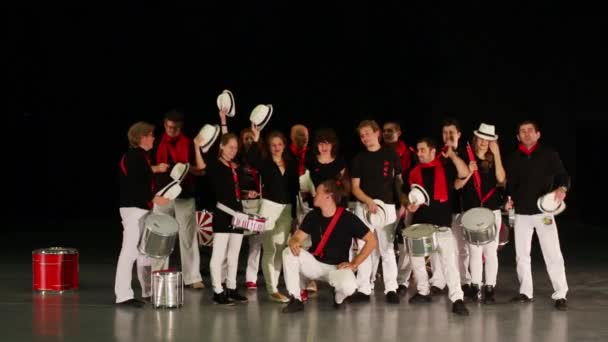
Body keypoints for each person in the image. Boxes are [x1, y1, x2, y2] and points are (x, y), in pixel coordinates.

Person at [281, 177, 378, 313]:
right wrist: (294, 241)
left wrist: (354, 263)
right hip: (315, 264)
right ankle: (296, 299)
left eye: (318, 192)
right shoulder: (312, 216)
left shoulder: (348, 218)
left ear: (328, 196)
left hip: (337, 268)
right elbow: (297, 237)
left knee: (349, 287)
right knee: (288, 252)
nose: (314, 195)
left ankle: (338, 299)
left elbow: (372, 241)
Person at [506, 120, 570, 311]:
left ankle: (561, 294)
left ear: (538, 134)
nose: (526, 134)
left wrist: (562, 188)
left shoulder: (549, 154)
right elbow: (510, 185)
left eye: (530, 131)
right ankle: (526, 292)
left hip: (544, 212)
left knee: (553, 253)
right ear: (518, 136)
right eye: (522, 131)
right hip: (521, 213)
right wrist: (508, 200)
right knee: (522, 255)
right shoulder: (513, 158)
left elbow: (563, 175)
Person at [406, 137, 471, 316]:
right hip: (419, 224)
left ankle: (457, 299)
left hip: (442, 225)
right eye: (417, 150)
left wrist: (452, 157)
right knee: (417, 262)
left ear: (433, 151)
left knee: (450, 263)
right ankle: (423, 291)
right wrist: (409, 205)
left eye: (422, 150)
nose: (419, 154)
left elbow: (465, 173)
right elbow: (408, 197)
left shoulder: (447, 168)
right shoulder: (413, 172)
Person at [193, 111, 253, 305]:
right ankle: (218, 291)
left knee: (234, 255)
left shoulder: (233, 166)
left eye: (236, 147)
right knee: (218, 255)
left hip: (237, 214)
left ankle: (232, 288)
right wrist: (196, 145)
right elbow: (200, 165)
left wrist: (247, 194)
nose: (233, 150)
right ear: (221, 147)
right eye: (230, 147)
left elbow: (233, 190)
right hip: (222, 214)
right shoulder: (215, 164)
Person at [115, 121, 170, 307]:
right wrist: (155, 199)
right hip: (133, 210)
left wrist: (156, 169)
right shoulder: (134, 157)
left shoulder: (141, 156)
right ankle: (123, 295)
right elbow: (135, 185)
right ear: (141, 137)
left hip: (141, 208)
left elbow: (143, 175)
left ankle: (147, 290)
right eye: (151, 135)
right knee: (129, 252)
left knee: (144, 252)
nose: (154, 138)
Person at [349, 120, 404, 304]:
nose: (365, 138)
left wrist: (403, 201)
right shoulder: (358, 159)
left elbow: (398, 181)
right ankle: (363, 288)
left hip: (386, 208)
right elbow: (355, 188)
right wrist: (368, 201)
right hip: (364, 207)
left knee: (387, 249)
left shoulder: (391, 154)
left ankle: (391, 288)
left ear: (377, 132)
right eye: (361, 135)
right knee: (365, 247)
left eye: (367, 133)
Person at [151, 110, 204, 289]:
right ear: (165, 124)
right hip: (162, 195)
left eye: (176, 127)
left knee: (188, 237)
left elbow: (201, 170)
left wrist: (188, 169)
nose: (172, 130)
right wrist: (158, 167)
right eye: (169, 126)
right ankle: (158, 275)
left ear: (181, 126)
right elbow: (145, 168)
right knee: (160, 235)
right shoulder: (156, 142)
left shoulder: (189, 143)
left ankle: (193, 277)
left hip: (185, 195)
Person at [247, 124, 299, 303]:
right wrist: (256, 138)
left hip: (286, 208)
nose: (276, 148)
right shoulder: (265, 162)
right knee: (269, 249)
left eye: (279, 144)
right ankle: (272, 289)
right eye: (273, 145)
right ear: (269, 147)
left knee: (279, 249)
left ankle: (275, 286)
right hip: (269, 207)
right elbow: (250, 158)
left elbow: (294, 189)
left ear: (284, 145)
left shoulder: (291, 163)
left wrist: (294, 215)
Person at [455, 123, 506, 304]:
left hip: (491, 211)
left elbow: (501, 179)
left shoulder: (494, 159)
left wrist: (497, 153)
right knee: (474, 251)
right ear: (476, 138)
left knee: (491, 251)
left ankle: (490, 287)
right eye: (482, 138)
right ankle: (475, 285)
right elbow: (457, 185)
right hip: (471, 211)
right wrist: (469, 171)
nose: (485, 142)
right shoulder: (466, 156)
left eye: (489, 139)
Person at [429, 118, 472, 295]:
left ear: (459, 134)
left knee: (462, 248)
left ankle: (464, 281)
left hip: (462, 207)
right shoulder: (437, 155)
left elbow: (461, 178)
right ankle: (438, 282)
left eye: (451, 132)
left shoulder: (467, 153)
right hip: (442, 208)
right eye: (445, 133)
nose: (448, 136)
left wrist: (453, 155)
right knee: (437, 247)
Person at [382, 121, 417, 296]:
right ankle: (388, 281)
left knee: (406, 243)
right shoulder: (378, 152)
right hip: (386, 203)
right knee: (386, 243)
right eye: (385, 131)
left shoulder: (410, 153)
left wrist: (407, 202)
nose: (387, 133)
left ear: (399, 132)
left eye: (391, 130)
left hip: (406, 202)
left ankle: (402, 281)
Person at [238, 128, 264, 290]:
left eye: (251, 138)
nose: (248, 141)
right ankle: (227, 277)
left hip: (258, 205)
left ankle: (251, 278)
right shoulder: (238, 159)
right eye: (246, 138)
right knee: (235, 240)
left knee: (256, 242)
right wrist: (245, 193)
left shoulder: (262, 158)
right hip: (241, 204)